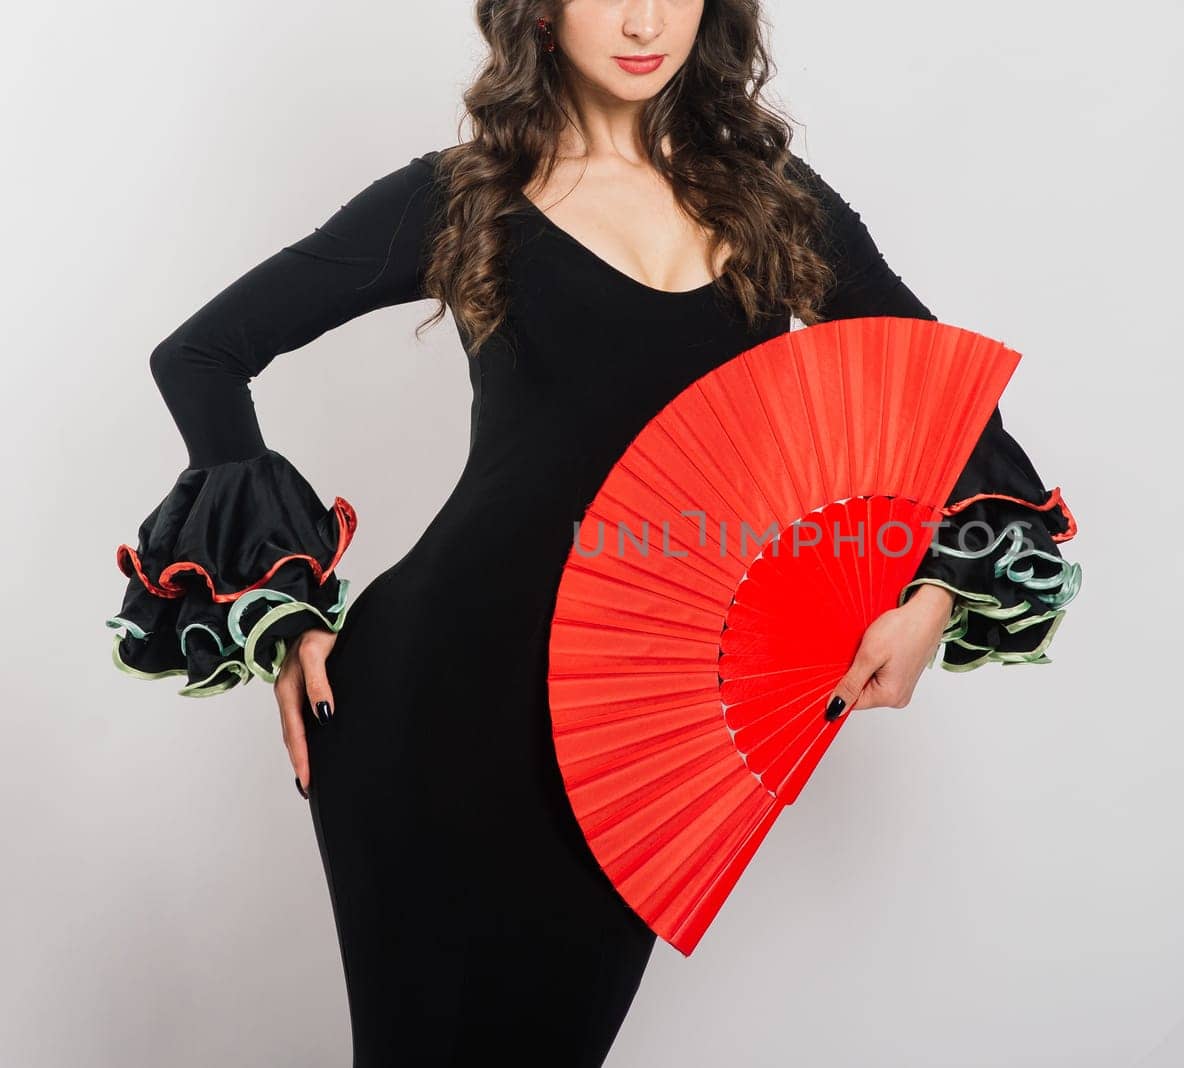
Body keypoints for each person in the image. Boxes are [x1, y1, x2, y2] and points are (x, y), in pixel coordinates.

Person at [104, 1, 1081, 1063]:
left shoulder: (778, 208)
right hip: (427, 702)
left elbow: (946, 411)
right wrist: (282, 617)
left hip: (647, 735)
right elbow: (198, 356)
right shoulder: (461, 197)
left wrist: (930, 603)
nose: (644, 17)